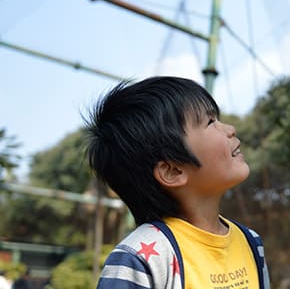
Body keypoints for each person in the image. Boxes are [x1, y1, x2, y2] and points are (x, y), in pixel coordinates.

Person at [84, 76, 269, 288]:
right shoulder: (141, 257)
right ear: (173, 171)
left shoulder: (251, 242)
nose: (230, 129)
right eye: (210, 122)